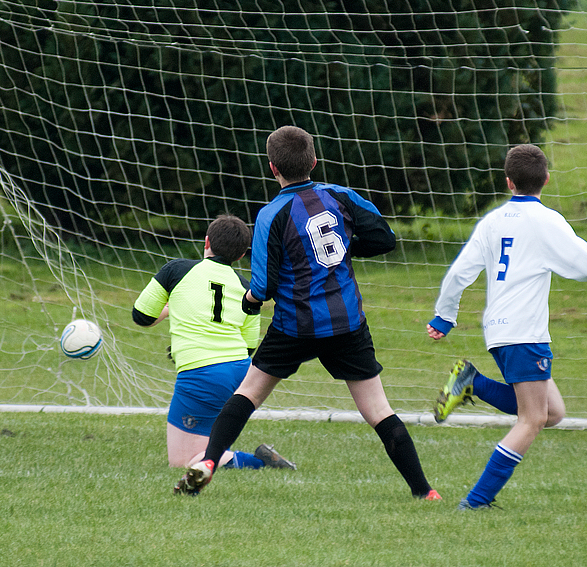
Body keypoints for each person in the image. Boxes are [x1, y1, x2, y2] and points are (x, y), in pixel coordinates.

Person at [174, 125, 441, 500]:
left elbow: (263, 287)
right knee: (379, 410)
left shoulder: (271, 214)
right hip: (346, 324)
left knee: (248, 393)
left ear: (272, 168)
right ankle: (424, 491)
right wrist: (341, 250)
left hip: (294, 326)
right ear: (314, 162)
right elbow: (385, 238)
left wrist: (249, 302)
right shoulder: (341, 196)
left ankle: (209, 462)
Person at [427, 144, 587, 509]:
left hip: (500, 331)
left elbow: (460, 271)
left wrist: (445, 315)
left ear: (508, 182)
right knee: (533, 418)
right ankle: (475, 502)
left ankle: (473, 383)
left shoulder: (492, 221)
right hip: (524, 333)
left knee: (553, 412)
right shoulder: (546, 220)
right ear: (546, 180)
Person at [132, 214, 296, 471]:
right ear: (241, 256)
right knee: (202, 438)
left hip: (202, 373)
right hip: (240, 372)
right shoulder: (247, 289)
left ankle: (260, 464)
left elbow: (141, 316)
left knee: (183, 461)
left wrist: (169, 310)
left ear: (206, 241)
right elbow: (250, 345)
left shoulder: (176, 270)